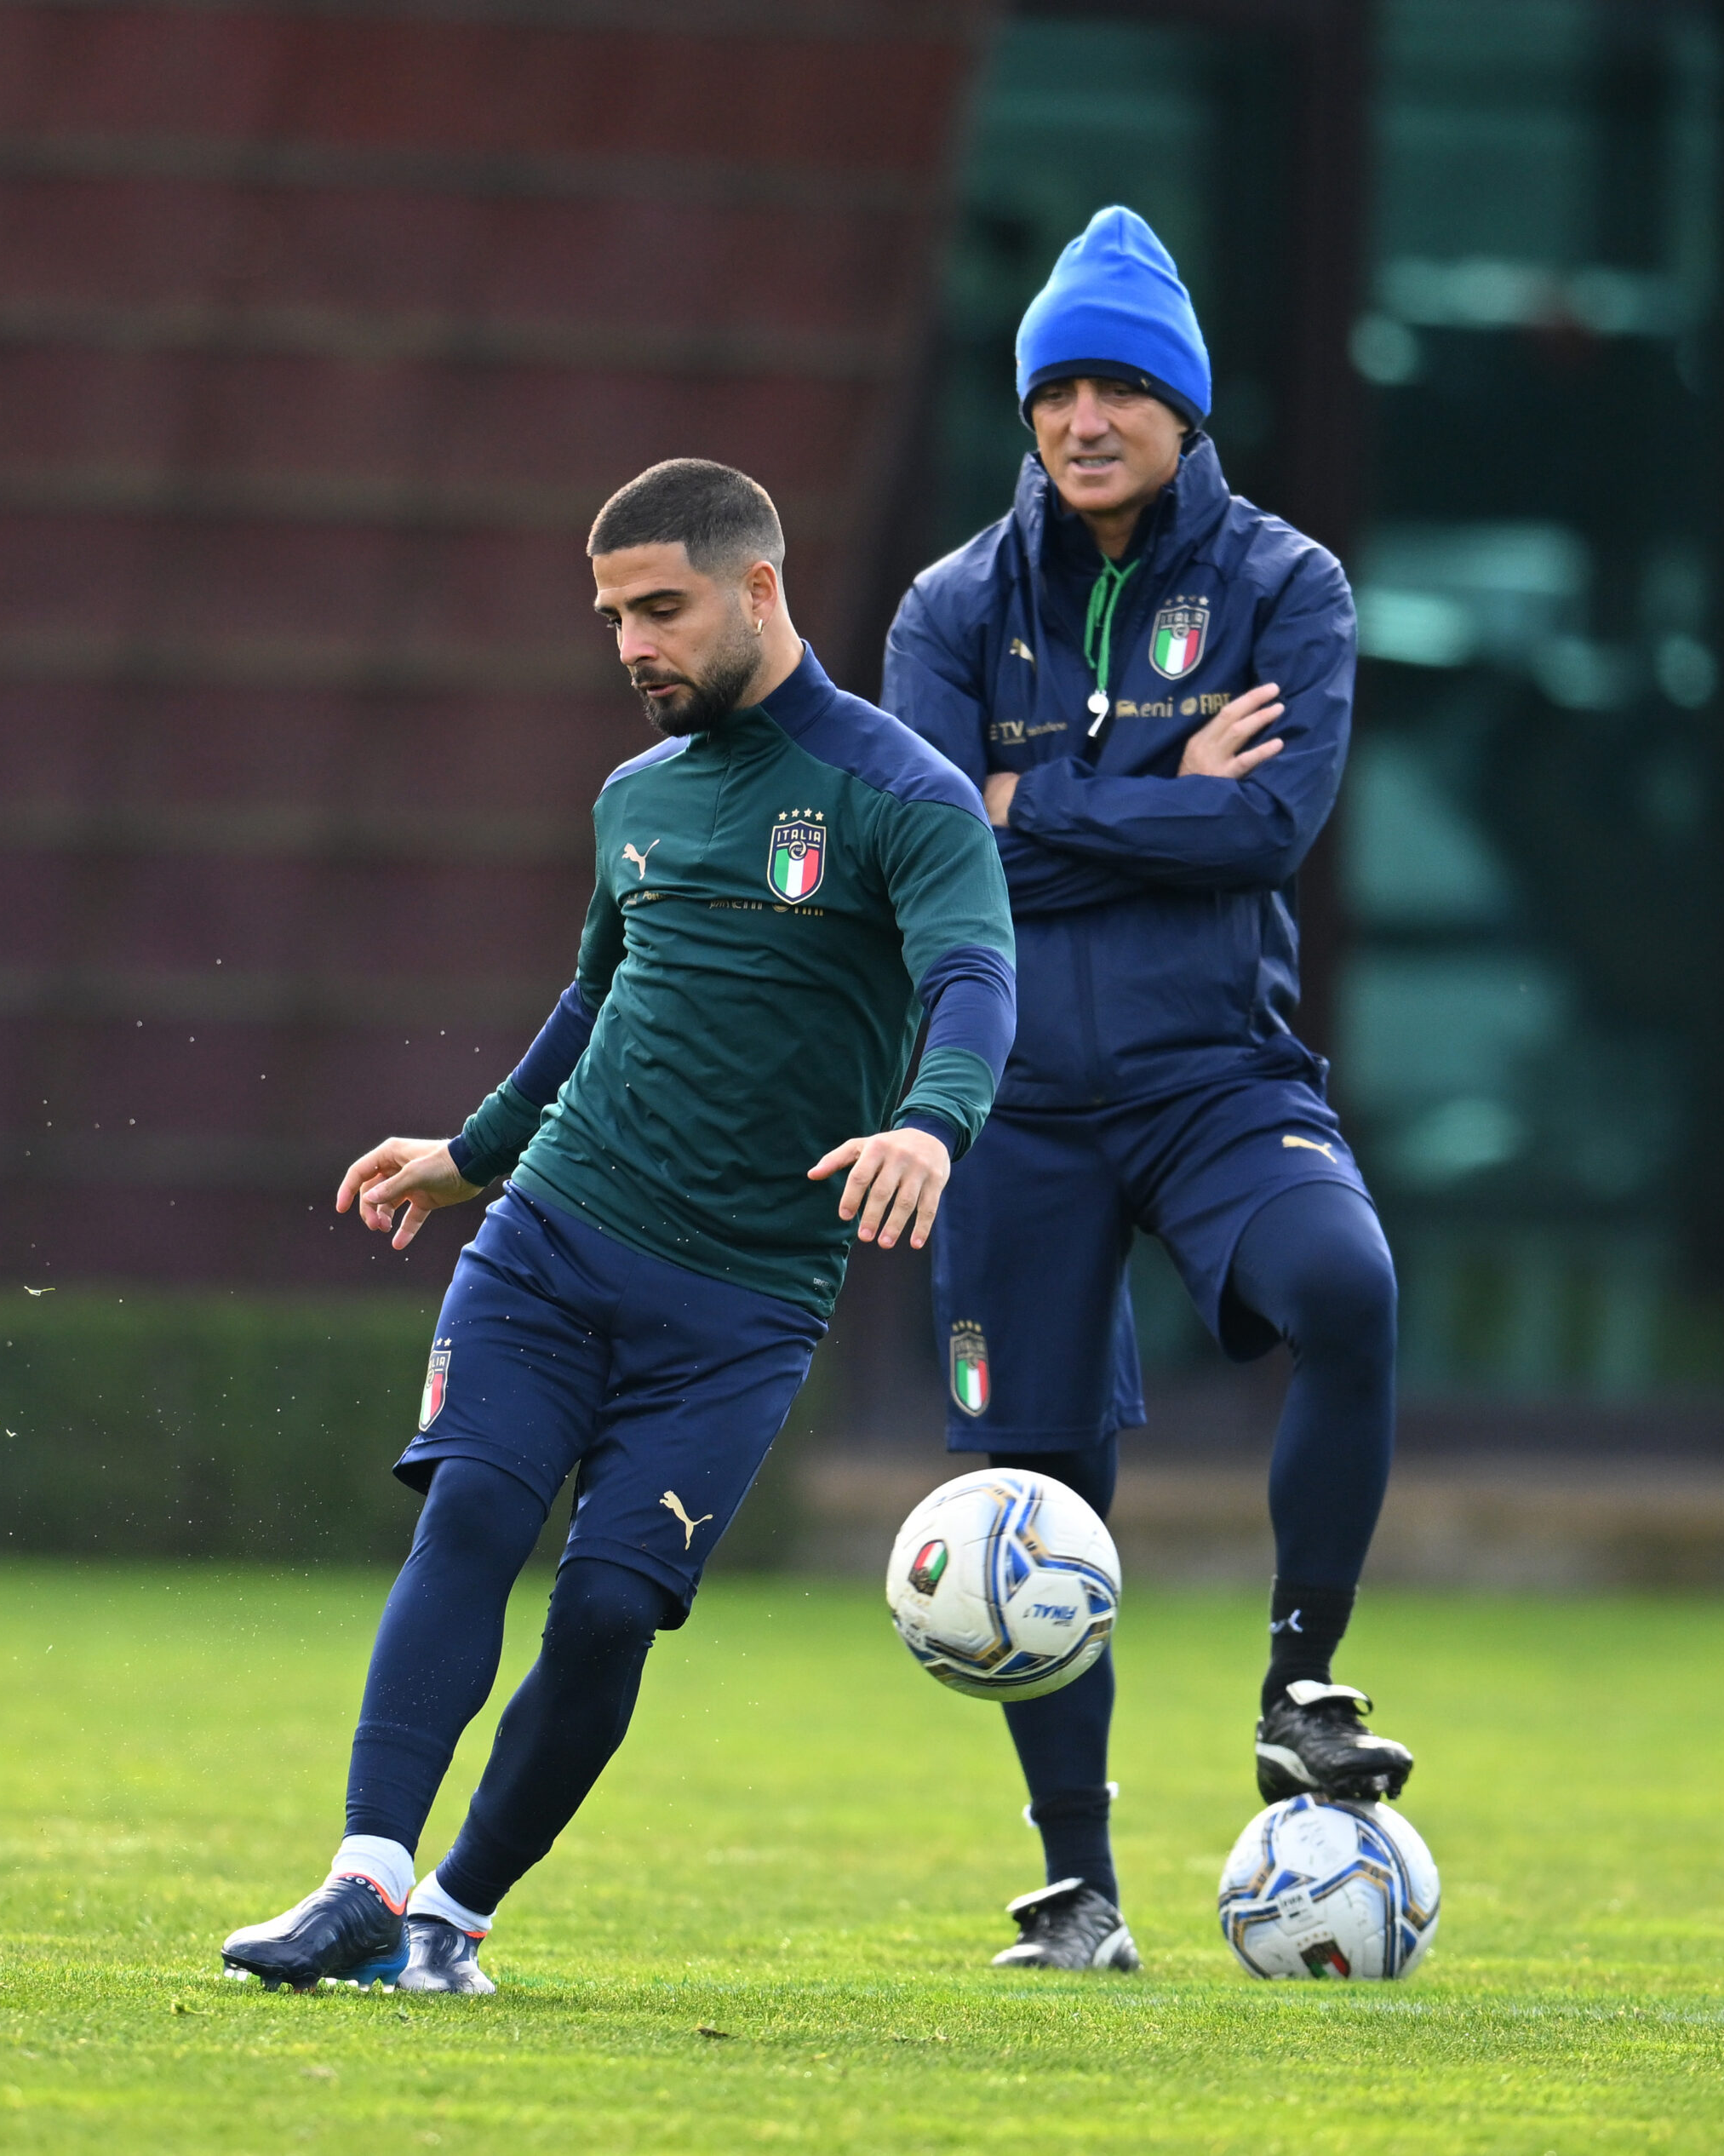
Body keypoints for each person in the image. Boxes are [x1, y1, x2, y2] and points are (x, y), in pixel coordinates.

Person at [222, 459, 1015, 1993]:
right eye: (610, 616)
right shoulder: (633, 801)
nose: (631, 643)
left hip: (742, 1307)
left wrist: (932, 1122)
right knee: (470, 1517)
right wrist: (471, 1154)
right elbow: (592, 1000)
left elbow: (975, 981)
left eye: (661, 607)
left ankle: (452, 1921)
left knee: (602, 1614)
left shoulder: (901, 796)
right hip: (552, 1240)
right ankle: (364, 1882)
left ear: (760, 590)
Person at [884, 207, 1411, 1975]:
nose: (1083, 417)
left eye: (1119, 387)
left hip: (1210, 1073)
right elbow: (928, 857)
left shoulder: (1283, 585)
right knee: (1037, 1491)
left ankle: (1300, 1681)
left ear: (1182, 412)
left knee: (1343, 1288)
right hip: (1008, 1096)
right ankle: (1075, 1888)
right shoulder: (951, 603)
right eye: (1056, 389)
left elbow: (1267, 826)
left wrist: (1047, 803)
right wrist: (1144, 784)